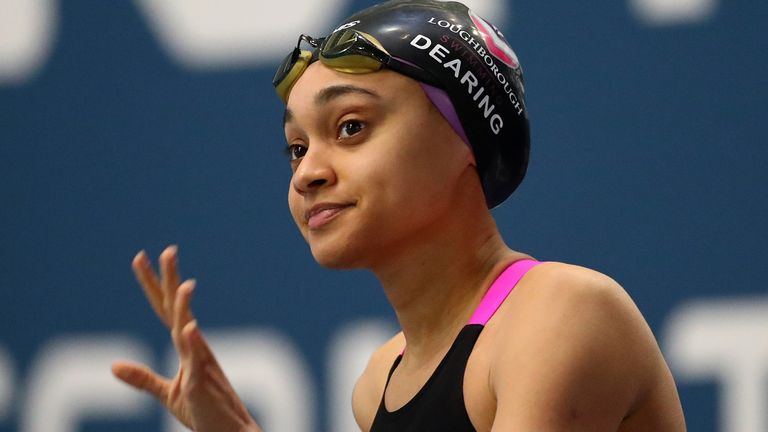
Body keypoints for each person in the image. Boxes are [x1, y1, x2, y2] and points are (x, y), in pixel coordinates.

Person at [112, 1, 687, 431]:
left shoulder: (560, 315)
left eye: (351, 128)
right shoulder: (380, 384)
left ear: (464, 139)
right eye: (296, 147)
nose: (307, 173)